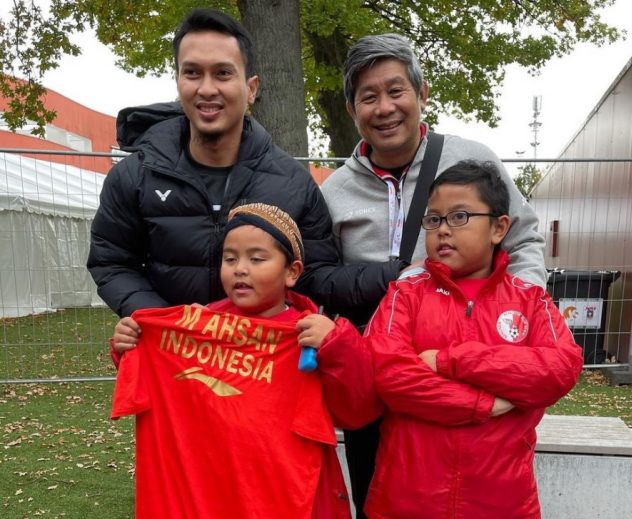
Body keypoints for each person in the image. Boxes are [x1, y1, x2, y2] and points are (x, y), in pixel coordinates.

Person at [318, 33, 548, 516]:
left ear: (421, 94)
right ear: (351, 108)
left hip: (475, 366)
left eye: (396, 90)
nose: (385, 107)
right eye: (368, 96)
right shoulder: (336, 190)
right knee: (381, 494)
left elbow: (524, 239)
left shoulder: (472, 160)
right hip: (386, 383)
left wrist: (516, 320)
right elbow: (323, 278)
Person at [301, 161, 583, 518]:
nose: (443, 230)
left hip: (503, 503)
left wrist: (452, 361)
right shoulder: (405, 294)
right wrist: (484, 404)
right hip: (406, 501)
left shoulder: (530, 299)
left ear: (499, 227)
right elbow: (389, 374)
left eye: (459, 216)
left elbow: (559, 369)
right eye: (433, 220)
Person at [87, 8, 339, 319]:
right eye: (192, 72)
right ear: (179, 81)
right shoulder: (134, 176)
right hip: (171, 355)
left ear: (251, 89)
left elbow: (314, 276)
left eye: (223, 73)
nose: (207, 89)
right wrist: (170, 324)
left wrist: (394, 274)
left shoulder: (295, 183)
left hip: (262, 362)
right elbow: (111, 260)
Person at [111, 203, 351, 519]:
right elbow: (164, 378)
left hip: (287, 491)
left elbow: (355, 408)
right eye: (230, 258)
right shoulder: (198, 325)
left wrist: (337, 346)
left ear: (291, 272)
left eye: (256, 258)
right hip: (212, 489)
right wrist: (128, 345)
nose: (240, 268)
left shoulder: (312, 334)